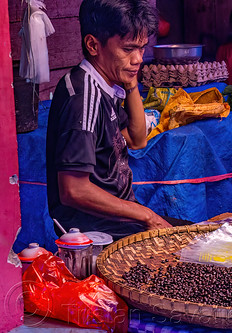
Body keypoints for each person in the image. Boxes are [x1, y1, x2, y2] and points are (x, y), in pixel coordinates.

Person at [46, 0, 173, 240]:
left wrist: (131, 82)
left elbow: (137, 140)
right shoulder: (83, 97)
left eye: (142, 48)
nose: (138, 59)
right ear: (93, 45)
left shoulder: (107, 82)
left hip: (119, 221)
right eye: (128, 49)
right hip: (94, 232)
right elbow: (73, 190)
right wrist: (146, 215)